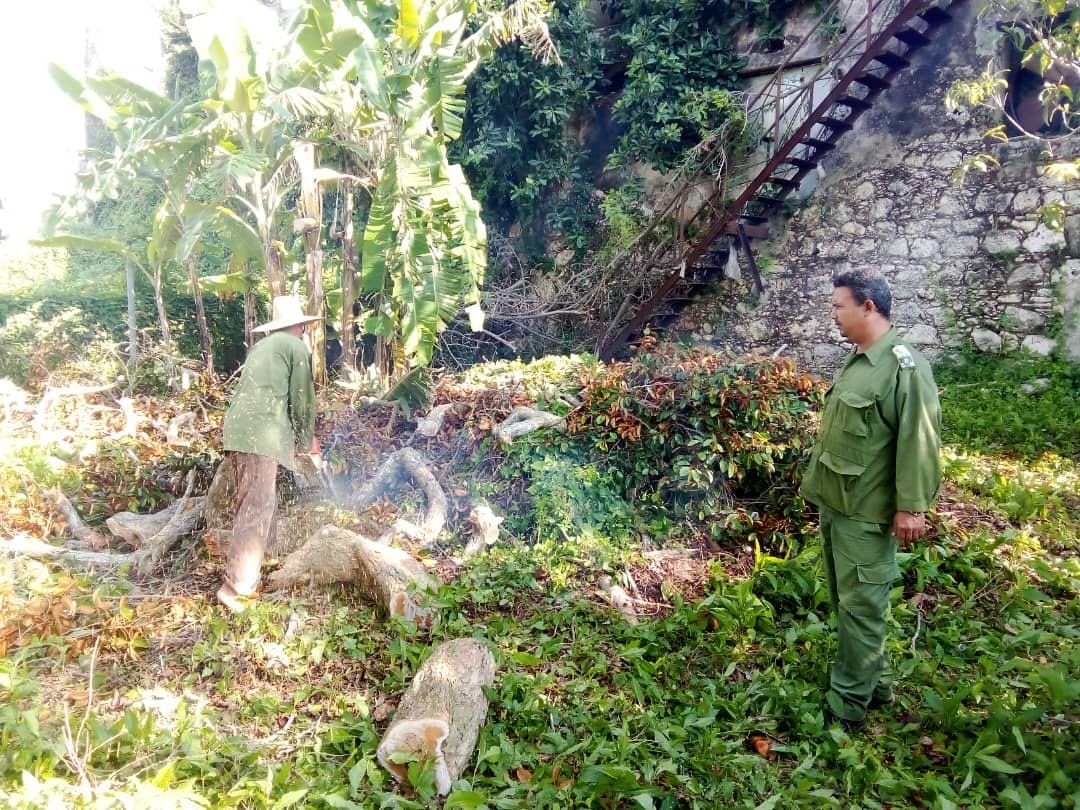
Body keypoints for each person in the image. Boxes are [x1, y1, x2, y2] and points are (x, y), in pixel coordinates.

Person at [799, 270, 942, 728]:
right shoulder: (858, 361)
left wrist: (911, 506)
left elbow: (919, 439)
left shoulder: (905, 367)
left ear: (869, 307)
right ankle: (874, 686)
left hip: (867, 515)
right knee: (849, 603)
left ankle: (847, 708)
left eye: (839, 306)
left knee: (861, 610)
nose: (833, 314)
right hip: (838, 505)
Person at [215, 295, 321, 612]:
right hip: (262, 432)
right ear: (299, 325)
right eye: (303, 326)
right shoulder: (296, 347)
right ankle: (237, 591)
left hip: (237, 429)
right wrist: (307, 439)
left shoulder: (262, 348)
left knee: (250, 501)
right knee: (257, 505)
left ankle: (256, 568)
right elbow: (302, 398)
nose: (304, 331)